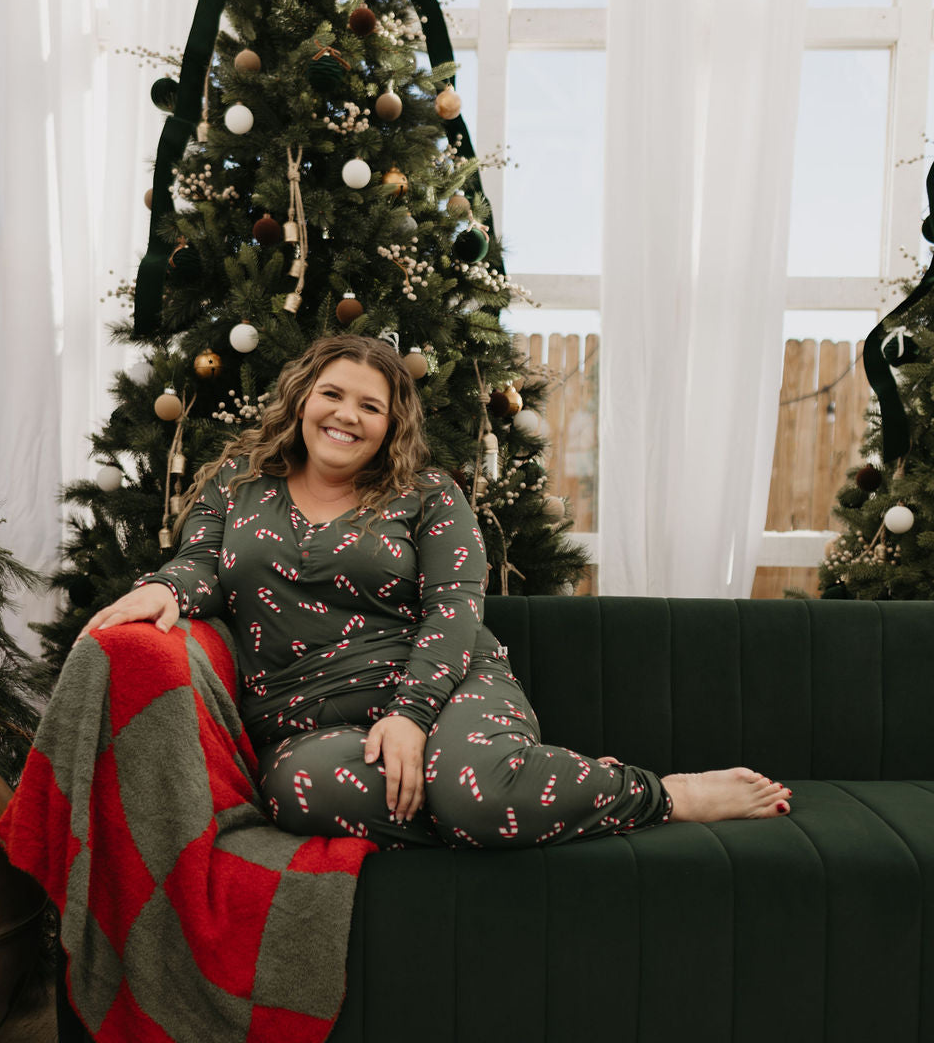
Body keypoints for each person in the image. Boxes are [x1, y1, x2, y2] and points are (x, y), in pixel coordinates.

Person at [81, 335, 792, 848]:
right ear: (301, 401)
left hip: (445, 683)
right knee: (300, 791)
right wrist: (163, 589)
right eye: (332, 393)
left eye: (371, 405)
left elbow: (454, 611)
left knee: (472, 792)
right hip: (307, 716)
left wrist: (412, 716)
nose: (347, 414)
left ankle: (662, 795)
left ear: (392, 426)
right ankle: (494, 801)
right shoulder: (238, 485)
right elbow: (198, 563)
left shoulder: (428, 495)